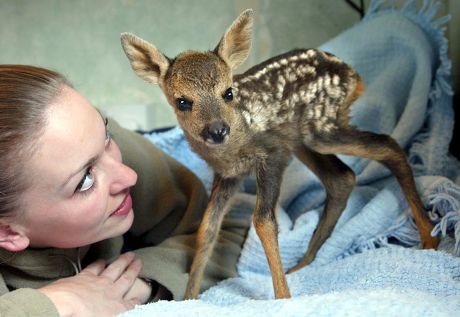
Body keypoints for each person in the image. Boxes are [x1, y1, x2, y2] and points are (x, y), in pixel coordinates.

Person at [0, 65, 250, 316]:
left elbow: (228, 222)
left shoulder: (83, 141)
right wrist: (54, 303)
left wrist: (141, 283)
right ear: (7, 231)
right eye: (85, 181)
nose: (129, 176)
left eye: (106, 136)